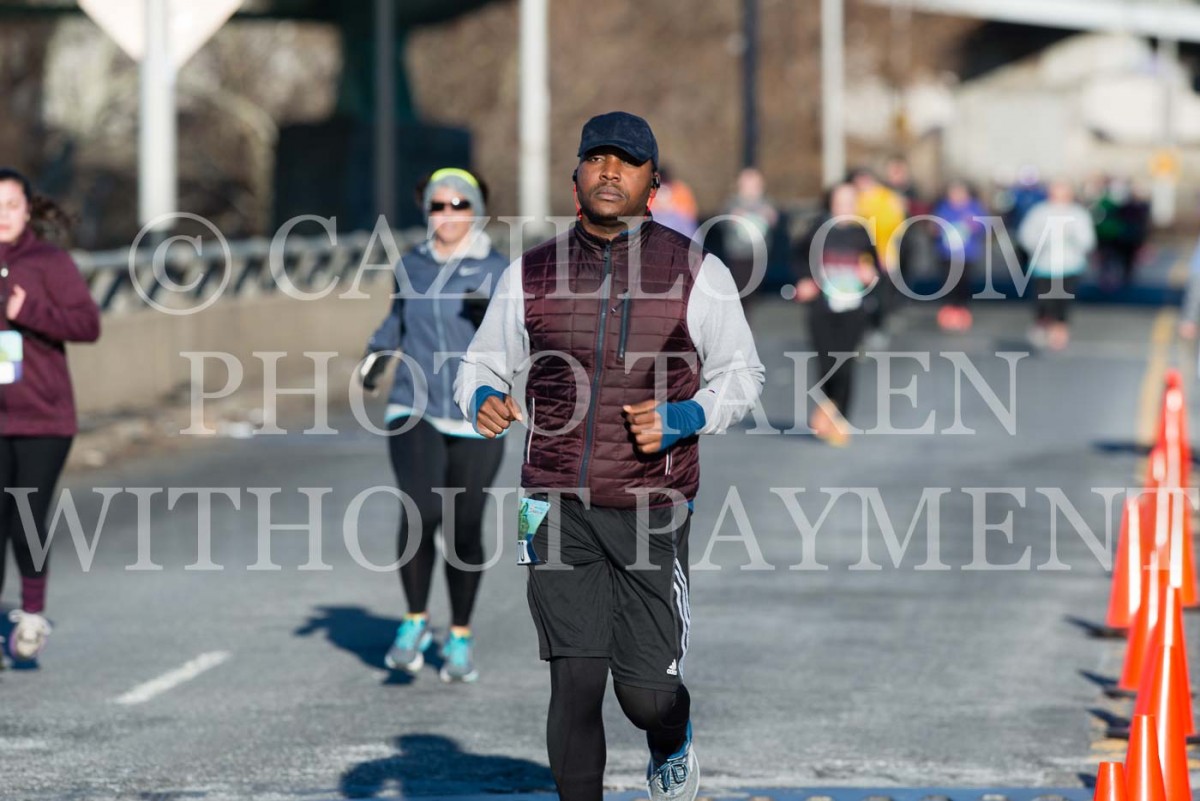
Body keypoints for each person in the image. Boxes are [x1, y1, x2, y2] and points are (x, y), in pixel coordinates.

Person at [455, 112, 764, 801]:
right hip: (552, 502)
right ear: (575, 178)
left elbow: (742, 376)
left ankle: (671, 737)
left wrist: (686, 416)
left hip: (652, 505)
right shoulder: (531, 272)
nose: (610, 171)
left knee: (646, 695)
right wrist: (481, 395)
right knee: (575, 680)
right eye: (597, 158)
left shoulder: (696, 272)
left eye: (627, 161)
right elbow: (480, 362)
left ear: (653, 184)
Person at [363, 168, 508, 683]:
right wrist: (377, 355)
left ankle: (460, 636)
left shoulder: (500, 270)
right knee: (421, 509)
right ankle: (414, 621)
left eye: (458, 205)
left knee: (464, 526)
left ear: (476, 211)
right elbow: (397, 321)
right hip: (415, 404)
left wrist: (493, 314)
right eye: (437, 206)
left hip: (478, 411)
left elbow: (528, 335)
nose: (447, 214)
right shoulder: (412, 265)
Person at [0, 168, 100, 663]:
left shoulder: (49, 263)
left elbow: (88, 325)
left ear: (28, 210)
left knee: (25, 517)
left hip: (43, 418)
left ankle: (33, 615)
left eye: (11, 205)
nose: (2, 216)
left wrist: (30, 313)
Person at [792, 183, 879, 446]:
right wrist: (804, 280)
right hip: (822, 306)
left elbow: (875, 268)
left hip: (852, 308)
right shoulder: (817, 230)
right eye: (840, 202)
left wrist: (871, 275)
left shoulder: (862, 233)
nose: (845, 207)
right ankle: (829, 408)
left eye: (850, 202)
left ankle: (839, 418)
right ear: (830, 203)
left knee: (845, 362)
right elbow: (797, 258)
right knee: (825, 363)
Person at [1017, 179, 1096, 351]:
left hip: (1070, 266)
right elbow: (1026, 236)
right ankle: (1043, 323)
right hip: (1044, 266)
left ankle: (1059, 332)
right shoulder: (1039, 212)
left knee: (1063, 301)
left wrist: (1072, 234)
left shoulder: (1078, 214)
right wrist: (1044, 239)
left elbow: (1088, 240)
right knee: (1044, 300)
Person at [719, 167, 779, 315]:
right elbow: (722, 222)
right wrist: (732, 217)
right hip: (738, 255)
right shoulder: (733, 203)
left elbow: (775, 220)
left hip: (759, 254)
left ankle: (746, 315)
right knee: (740, 289)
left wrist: (770, 216)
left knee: (753, 291)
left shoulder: (767, 203)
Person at [931, 181, 987, 332]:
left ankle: (962, 311)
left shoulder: (974, 208)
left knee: (963, 283)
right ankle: (948, 312)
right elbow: (934, 226)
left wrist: (973, 225)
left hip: (967, 254)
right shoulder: (943, 207)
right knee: (948, 283)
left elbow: (984, 226)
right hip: (947, 253)